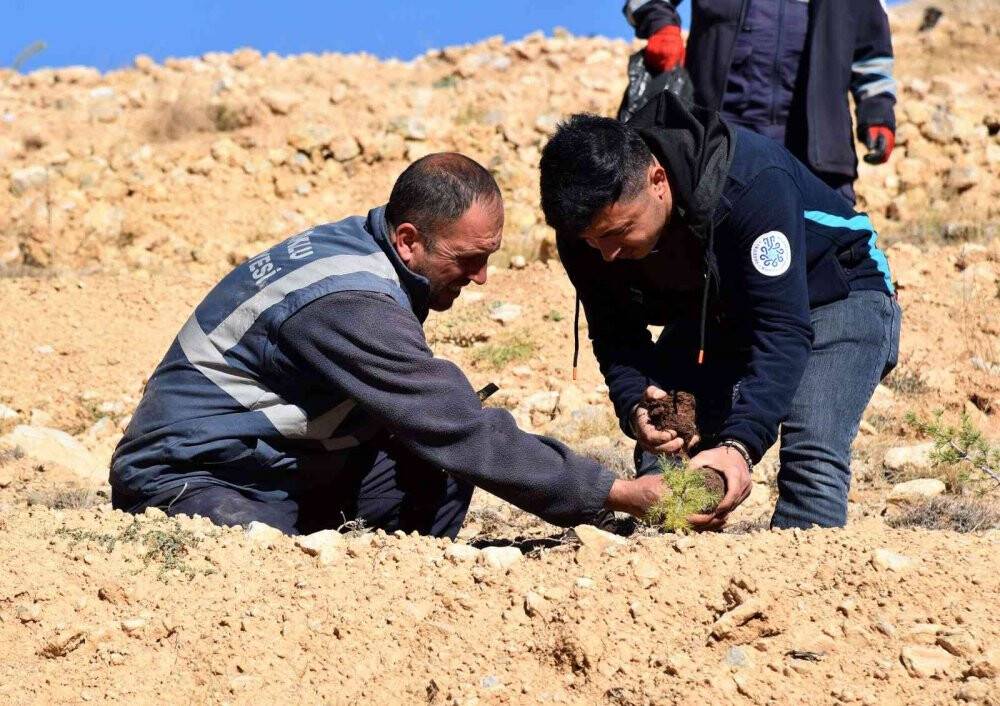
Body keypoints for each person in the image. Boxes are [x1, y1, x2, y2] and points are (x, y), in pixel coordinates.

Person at [111, 153, 661, 538]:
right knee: (260, 561)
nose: (482, 277)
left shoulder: (370, 251)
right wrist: (612, 493)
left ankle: (388, 592)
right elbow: (452, 422)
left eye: (488, 255)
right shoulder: (347, 299)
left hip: (272, 459)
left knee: (436, 466)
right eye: (468, 259)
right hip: (191, 473)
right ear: (408, 240)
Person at [539, 92, 901, 530]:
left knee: (811, 448)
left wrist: (738, 446)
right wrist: (636, 403)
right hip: (719, 310)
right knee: (665, 435)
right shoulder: (586, 231)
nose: (608, 254)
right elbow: (616, 331)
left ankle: (805, 580)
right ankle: (671, 573)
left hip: (836, 292)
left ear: (658, 180)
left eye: (619, 233)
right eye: (595, 242)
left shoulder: (750, 183)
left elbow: (782, 329)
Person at [623, 0, 898, 203]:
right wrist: (661, 25)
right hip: (721, 137)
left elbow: (872, 52)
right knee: (713, 244)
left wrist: (877, 112)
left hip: (816, 146)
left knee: (829, 245)